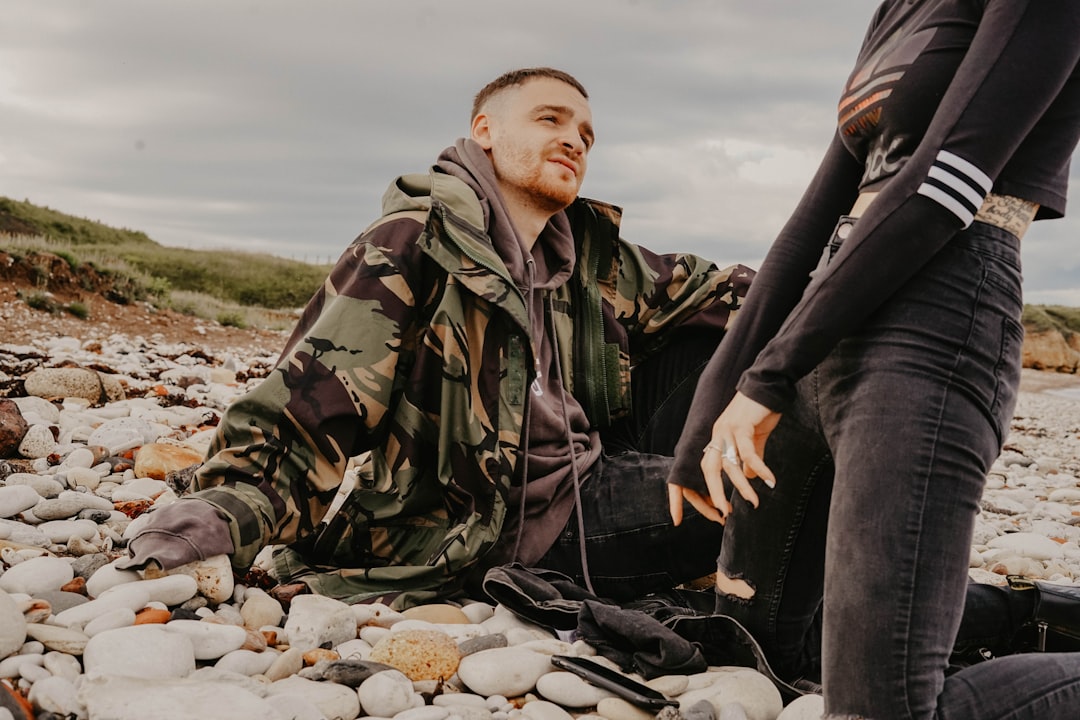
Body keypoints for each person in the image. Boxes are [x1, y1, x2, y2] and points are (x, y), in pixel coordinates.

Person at [118, 67, 754, 609]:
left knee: (758, 338)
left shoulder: (589, 257)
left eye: (586, 134)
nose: (573, 140)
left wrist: (838, 280)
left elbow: (714, 289)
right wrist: (218, 515)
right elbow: (314, 401)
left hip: (596, 458)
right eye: (550, 120)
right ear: (484, 131)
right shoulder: (414, 242)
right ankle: (788, 632)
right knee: (768, 491)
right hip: (510, 522)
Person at [667, 1, 1080, 717]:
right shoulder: (900, 9)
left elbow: (946, 184)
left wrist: (766, 378)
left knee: (879, 707)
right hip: (830, 305)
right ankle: (1026, 616)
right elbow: (814, 216)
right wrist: (714, 399)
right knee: (759, 646)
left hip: (937, 316)